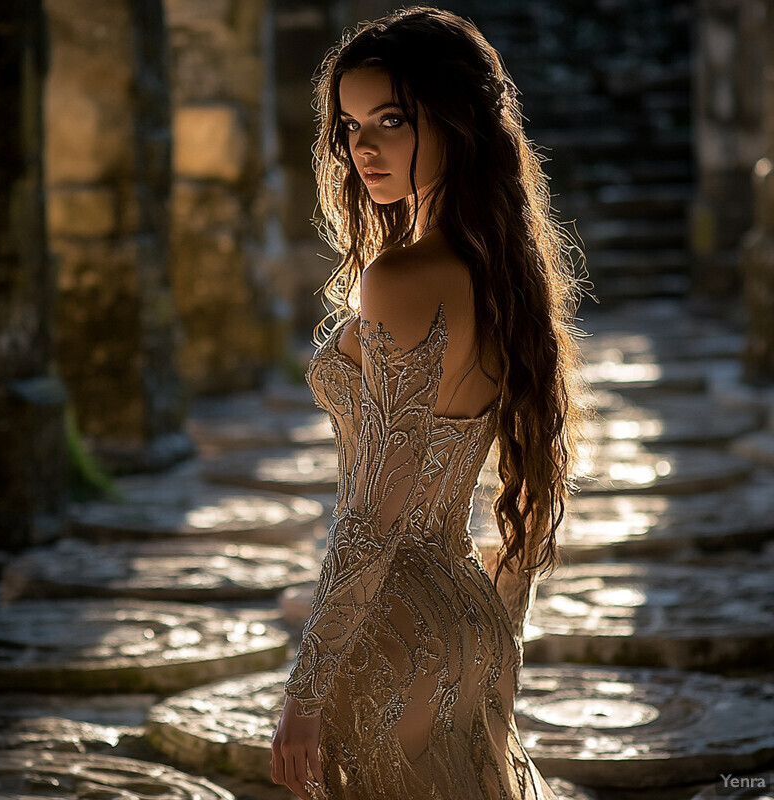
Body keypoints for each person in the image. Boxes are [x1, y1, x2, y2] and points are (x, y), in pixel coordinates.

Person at [270, 6, 587, 799]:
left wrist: (304, 695)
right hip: (461, 618)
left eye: (392, 120)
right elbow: (529, 488)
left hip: (393, 633)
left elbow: (375, 514)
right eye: (348, 126)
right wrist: (498, 632)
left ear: (454, 122)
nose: (362, 147)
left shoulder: (402, 278)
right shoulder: (503, 274)